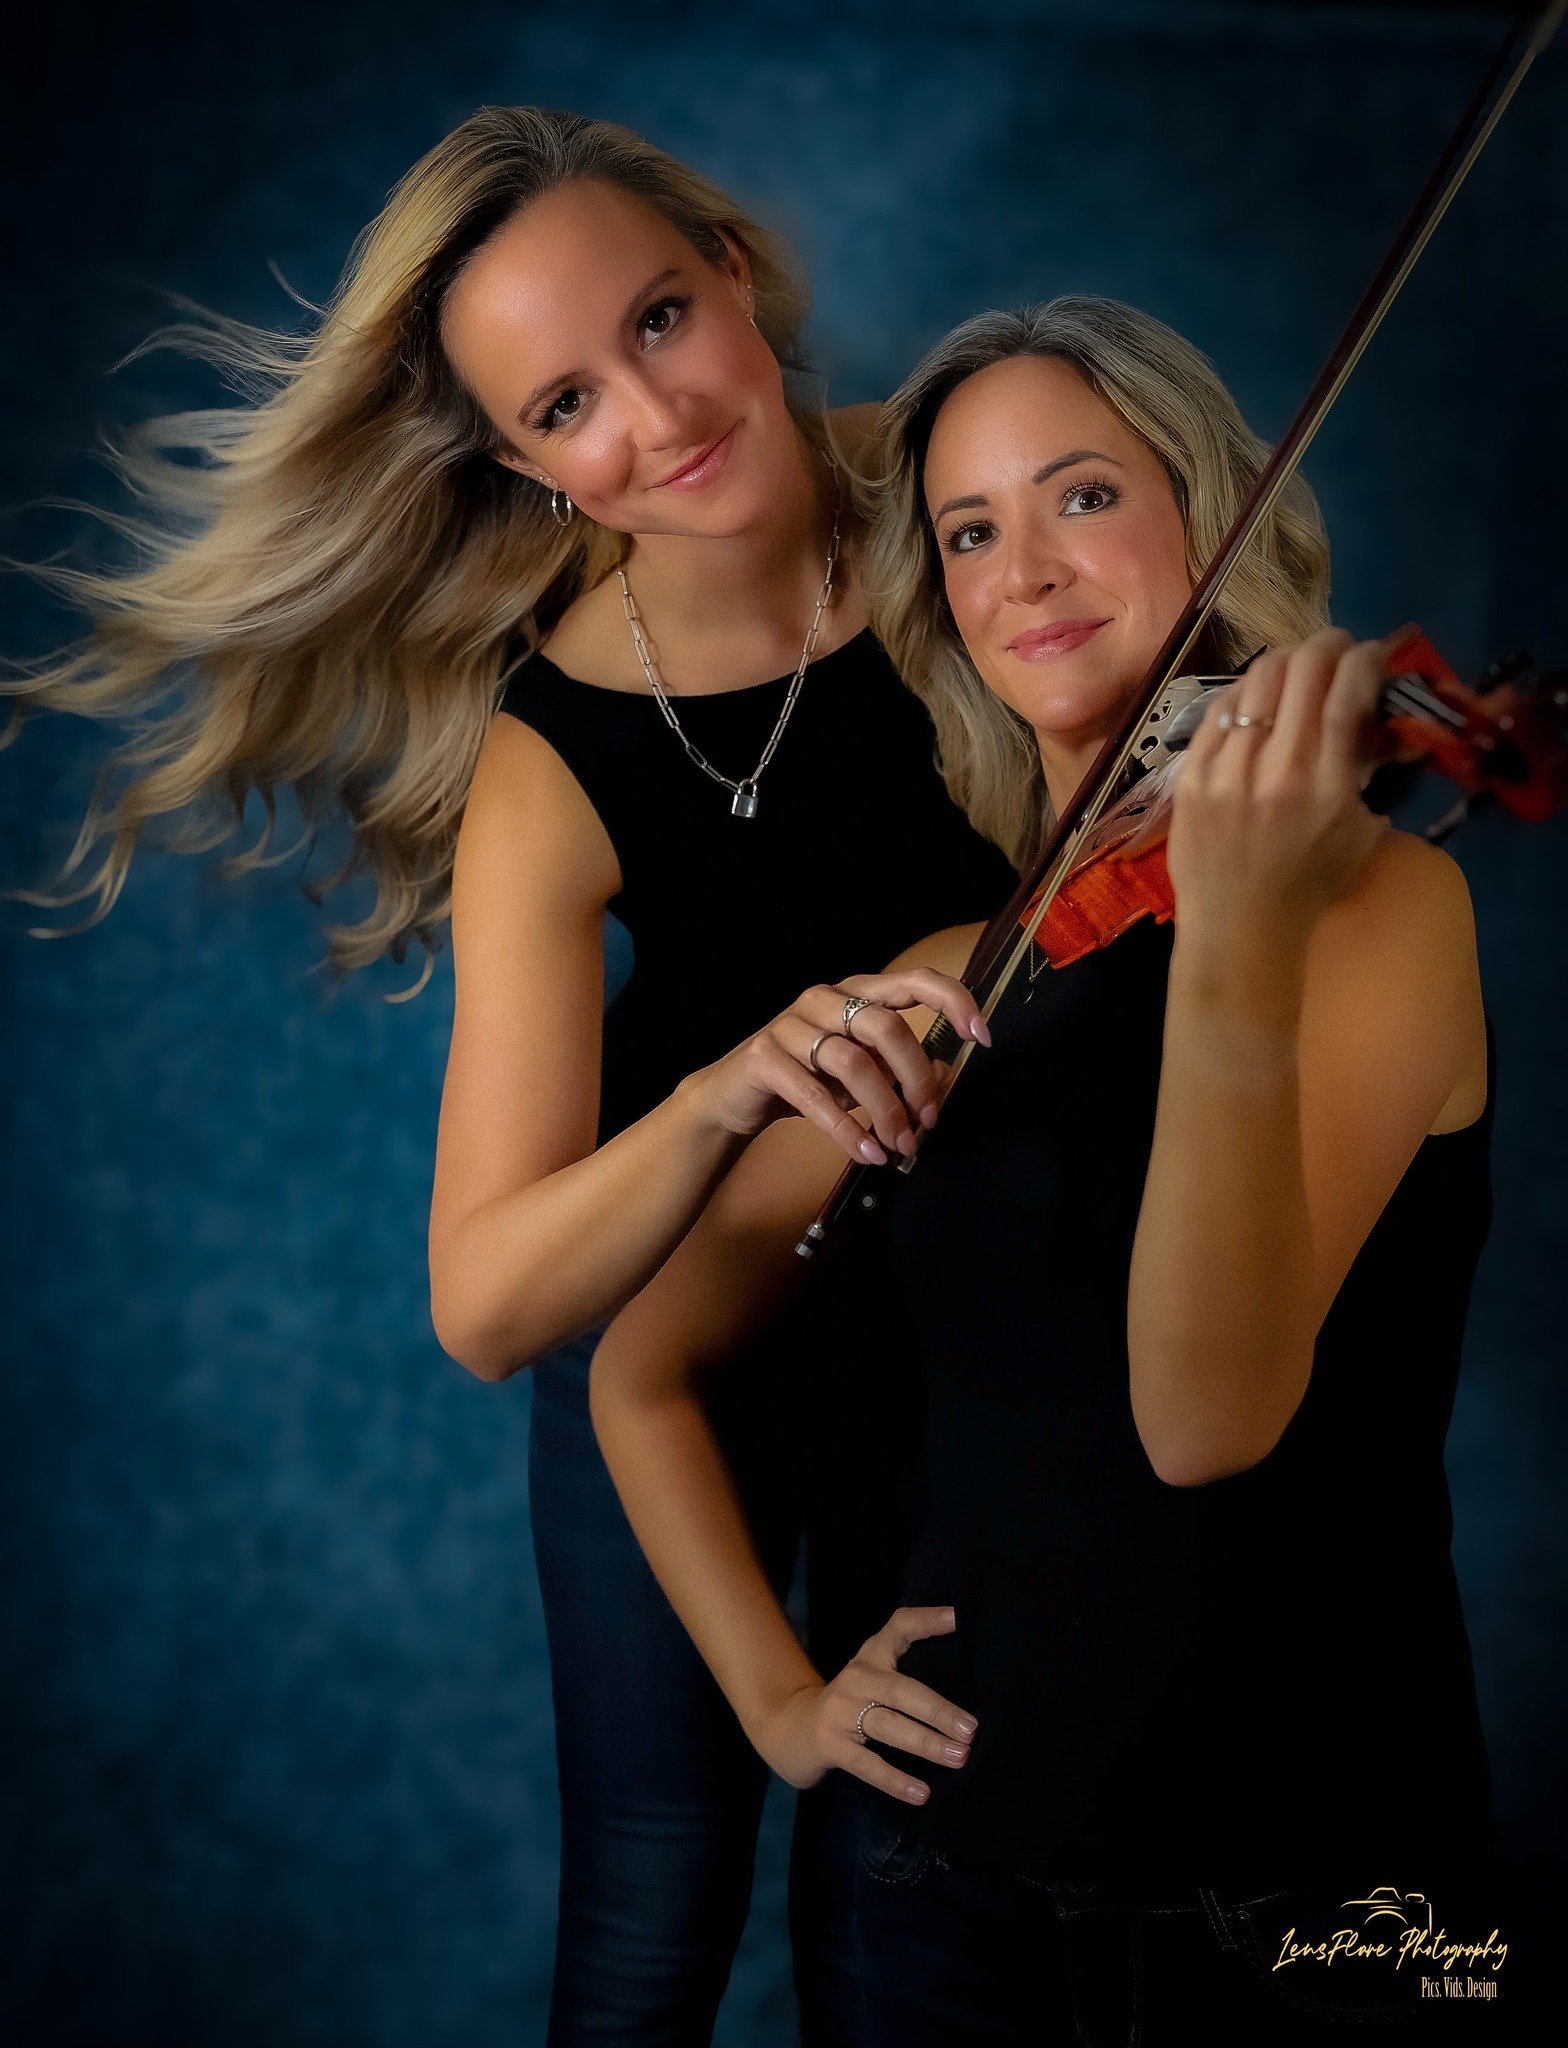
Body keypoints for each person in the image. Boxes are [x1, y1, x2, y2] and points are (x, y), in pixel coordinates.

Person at [3, 109, 1015, 2043]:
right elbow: (483, 1300)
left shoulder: (970, 503)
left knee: (913, 1913)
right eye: (565, 402)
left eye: (657, 321)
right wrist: (725, 1086)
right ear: (521, 463)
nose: (651, 414)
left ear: (730, 265)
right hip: (672, 1335)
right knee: (653, 1922)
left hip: (971, 1326)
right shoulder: (549, 763)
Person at [590, 295, 1501, 2043]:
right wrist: (785, 1705)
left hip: (1312, 1887)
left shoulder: (1381, 908)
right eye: (970, 530)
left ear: (1205, 506)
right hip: (949, 1894)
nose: (1026, 570)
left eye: (1082, 496)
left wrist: (1238, 931)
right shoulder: (963, 970)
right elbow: (646, 1368)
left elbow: (1201, 1419)